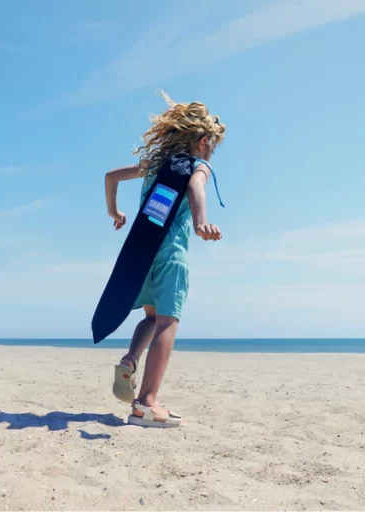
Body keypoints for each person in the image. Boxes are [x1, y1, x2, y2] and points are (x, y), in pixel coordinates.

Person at [103, 91, 226, 428]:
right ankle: (146, 403)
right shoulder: (198, 166)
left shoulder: (155, 165)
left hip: (142, 254)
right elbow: (195, 188)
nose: (210, 155)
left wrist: (115, 212)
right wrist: (201, 220)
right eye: (212, 149)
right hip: (171, 254)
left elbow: (110, 177)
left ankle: (130, 360)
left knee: (151, 317)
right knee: (168, 322)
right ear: (202, 142)